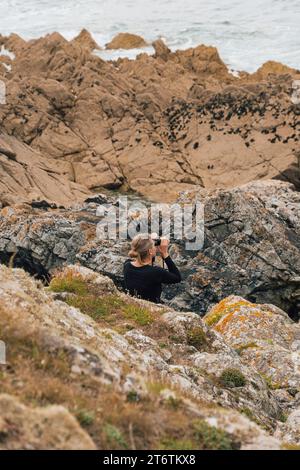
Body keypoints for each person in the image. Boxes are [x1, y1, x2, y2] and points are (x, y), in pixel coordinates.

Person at [123, 233, 181, 303]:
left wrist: (149, 242)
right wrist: (165, 253)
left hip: (134, 304)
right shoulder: (156, 272)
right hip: (152, 308)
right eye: (154, 246)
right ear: (150, 251)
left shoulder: (127, 265)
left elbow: (146, 263)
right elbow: (177, 277)